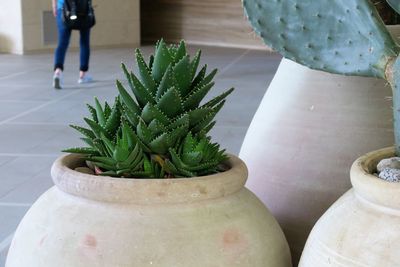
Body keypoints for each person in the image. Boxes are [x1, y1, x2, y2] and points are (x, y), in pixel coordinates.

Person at [52, 0, 93, 89]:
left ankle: (58, 72)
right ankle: (83, 74)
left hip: (63, 7)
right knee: (84, 42)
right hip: (83, 8)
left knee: (62, 43)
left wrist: (54, 5)